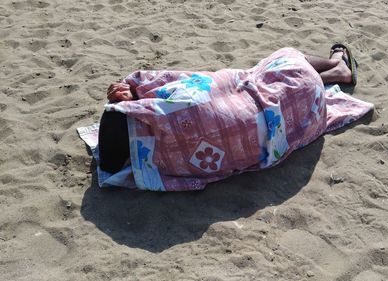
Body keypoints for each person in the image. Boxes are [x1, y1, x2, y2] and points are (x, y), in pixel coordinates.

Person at [98, 44, 369, 191]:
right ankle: (336, 65)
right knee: (284, 61)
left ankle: (335, 72)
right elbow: (190, 83)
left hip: (293, 108)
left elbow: (109, 166)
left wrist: (132, 91)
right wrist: (134, 88)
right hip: (295, 97)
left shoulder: (165, 163)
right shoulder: (168, 105)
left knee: (272, 86)